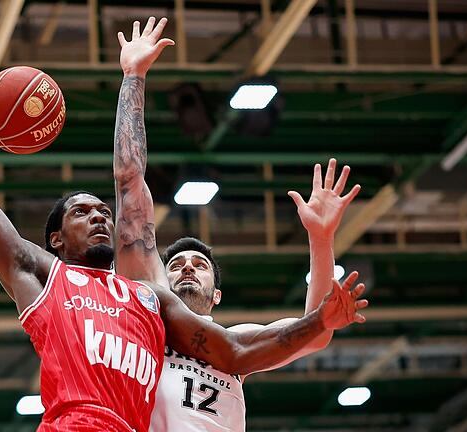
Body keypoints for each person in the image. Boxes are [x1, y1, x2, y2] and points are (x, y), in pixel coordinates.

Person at [0, 17, 366, 432]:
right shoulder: (52, 277)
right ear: (54, 239)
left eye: (103, 212)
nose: (100, 217)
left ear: (218, 293)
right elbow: (127, 179)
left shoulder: (154, 306)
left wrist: (321, 267)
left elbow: (256, 345)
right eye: (81, 212)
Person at [111, 17, 368, 432]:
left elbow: (315, 331)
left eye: (199, 264)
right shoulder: (150, 307)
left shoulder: (236, 345)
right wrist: (133, 78)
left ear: (216, 297)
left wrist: (321, 241)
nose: (187, 268)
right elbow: (129, 180)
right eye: (176, 265)